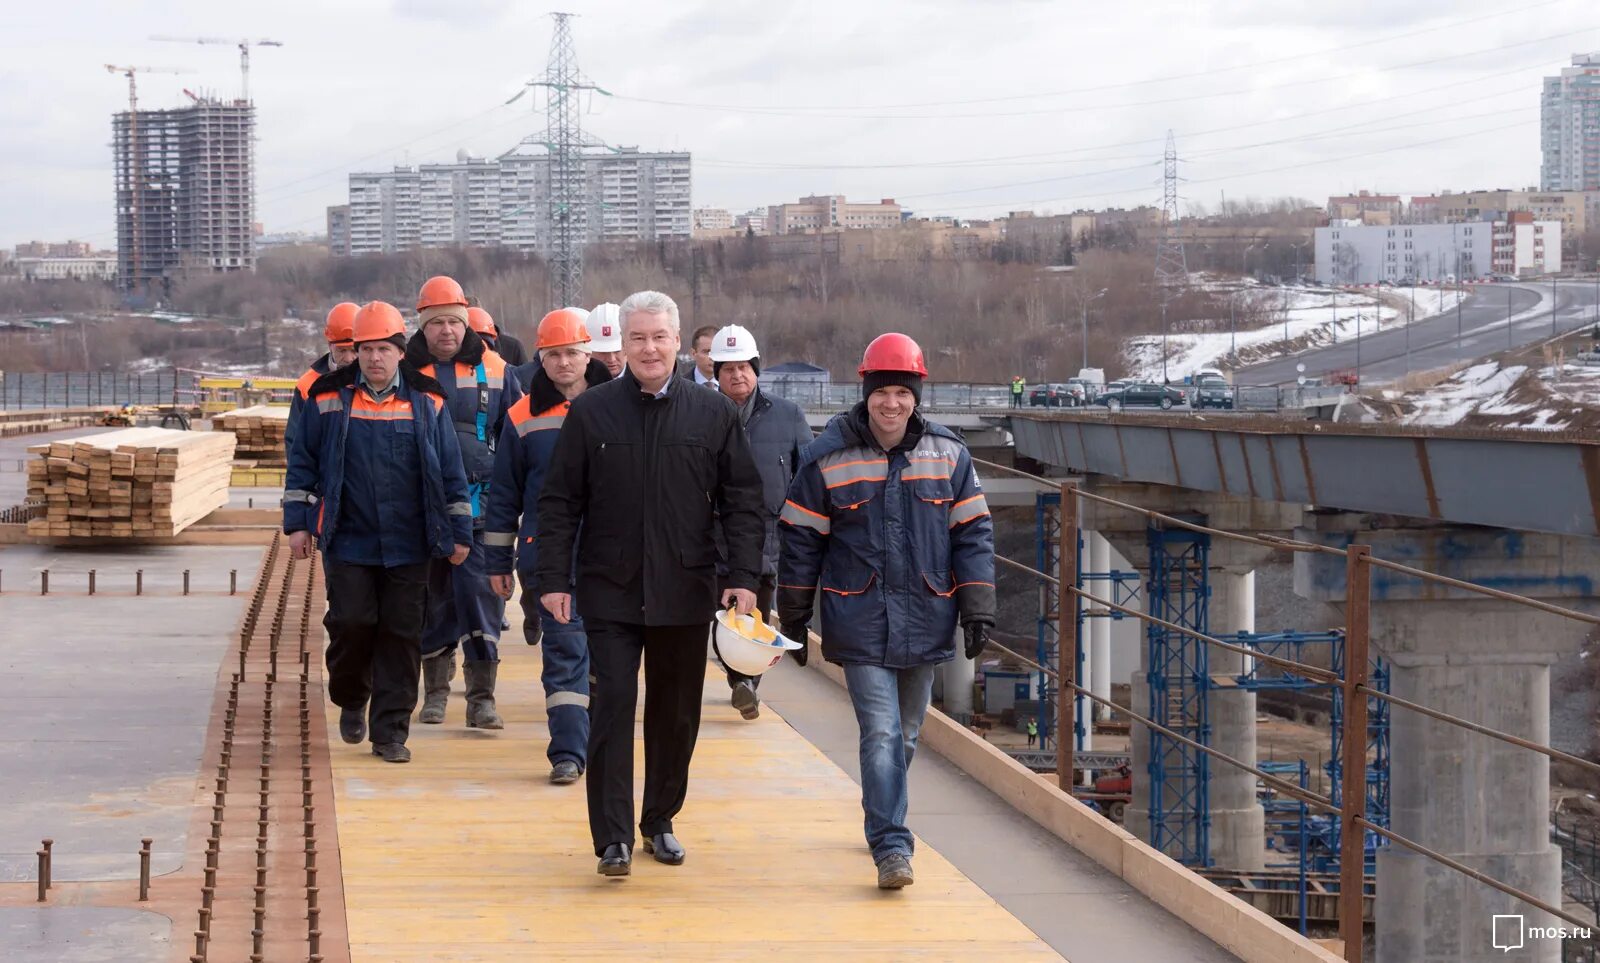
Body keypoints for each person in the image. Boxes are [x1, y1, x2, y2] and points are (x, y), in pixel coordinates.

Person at [536, 290, 765, 877]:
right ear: (621, 345)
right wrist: (552, 579)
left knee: (676, 712)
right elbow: (560, 502)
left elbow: (742, 502)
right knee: (612, 706)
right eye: (637, 338)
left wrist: (742, 577)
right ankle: (611, 838)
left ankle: (659, 821)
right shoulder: (592, 413)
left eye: (659, 337)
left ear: (679, 342)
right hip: (608, 587)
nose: (649, 348)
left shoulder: (712, 414)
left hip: (685, 589)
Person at [777, 332, 995, 889]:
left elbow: (972, 533)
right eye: (882, 392)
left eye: (903, 392)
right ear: (865, 392)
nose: (892, 404)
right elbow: (801, 539)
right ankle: (892, 846)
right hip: (859, 616)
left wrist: (978, 607)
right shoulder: (827, 457)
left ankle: (882, 812)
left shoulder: (949, 456)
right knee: (880, 730)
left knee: (907, 733)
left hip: (927, 614)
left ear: (916, 395)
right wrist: (795, 615)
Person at [283, 301, 473, 764]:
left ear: (400, 352)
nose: (373, 358)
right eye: (364, 349)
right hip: (349, 538)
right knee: (352, 623)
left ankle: (390, 731)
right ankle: (352, 695)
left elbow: (451, 468)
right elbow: (302, 460)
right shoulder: (327, 398)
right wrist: (297, 524)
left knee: (401, 634)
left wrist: (460, 530)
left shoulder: (427, 401)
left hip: (410, 541)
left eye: (383, 349)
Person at [485, 309, 611, 785]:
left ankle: (599, 739)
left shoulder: (618, 406)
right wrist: (498, 560)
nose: (563, 363)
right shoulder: (522, 417)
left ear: (588, 355)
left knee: (608, 656)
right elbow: (503, 496)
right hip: (550, 559)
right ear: (540, 358)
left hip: (610, 557)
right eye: (553, 355)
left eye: (572, 353)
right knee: (564, 654)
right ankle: (567, 753)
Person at [405, 276, 524, 730]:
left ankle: (481, 698)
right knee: (432, 603)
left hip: (483, 508)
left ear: (466, 322)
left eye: (454, 322)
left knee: (482, 599)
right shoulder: (407, 371)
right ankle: (434, 693)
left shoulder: (496, 370)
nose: (446, 331)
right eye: (436, 324)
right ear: (423, 327)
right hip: (425, 513)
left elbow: (516, 437)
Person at [707, 323, 813, 721]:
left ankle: (745, 683)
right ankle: (739, 678)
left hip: (768, 536)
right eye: (728, 368)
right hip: (711, 535)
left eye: (744, 367)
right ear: (716, 374)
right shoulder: (702, 413)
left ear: (756, 370)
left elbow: (809, 474)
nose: (737, 376)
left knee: (755, 615)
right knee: (719, 615)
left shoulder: (788, 416)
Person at [287, 302, 360, 452]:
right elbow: (295, 443)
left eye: (354, 350)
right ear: (329, 345)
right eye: (341, 351)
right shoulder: (308, 385)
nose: (348, 358)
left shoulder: (376, 382)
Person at [587, 302, 626, 379]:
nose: (611, 359)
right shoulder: (581, 384)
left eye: (617, 351)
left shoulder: (645, 381)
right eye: (603, 352)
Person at [682, 324, 719, 389]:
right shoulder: (680, 386)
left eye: (716, 351)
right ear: (693, 353)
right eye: (706, 352)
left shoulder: (733, 384)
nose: (712, 357)